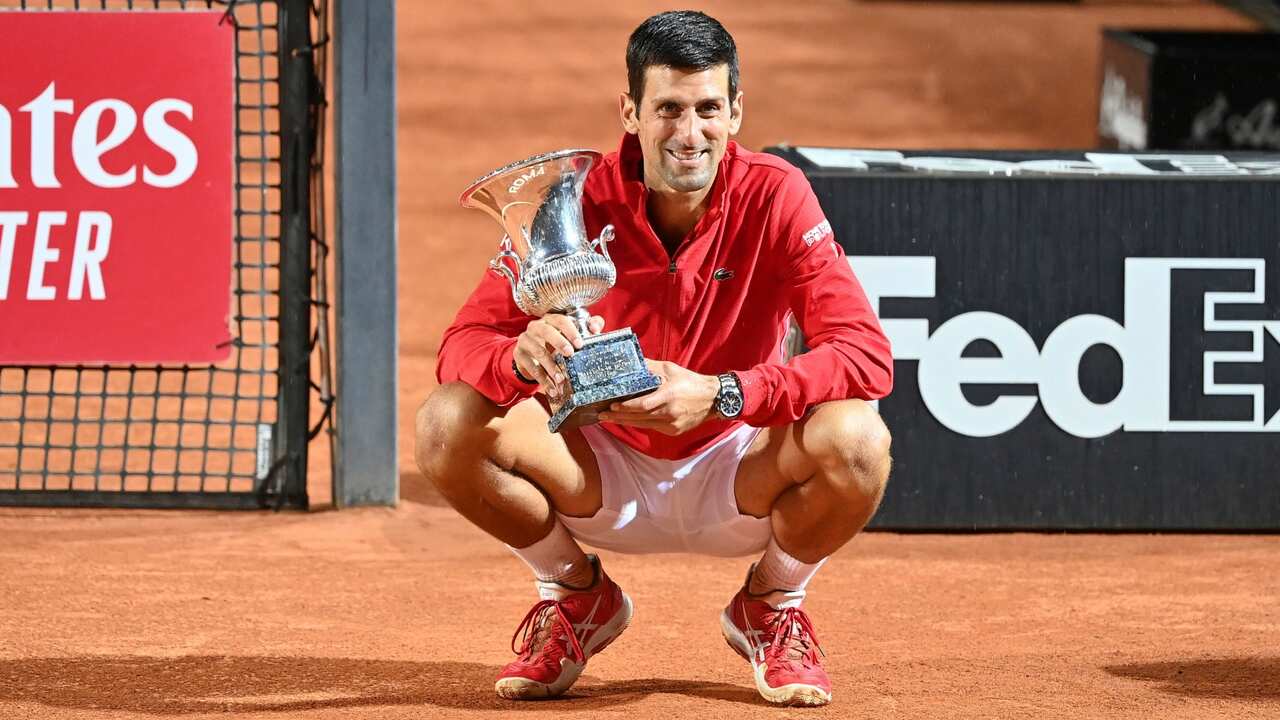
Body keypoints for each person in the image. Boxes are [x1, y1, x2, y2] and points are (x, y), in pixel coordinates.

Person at [417, 10, 893, 707]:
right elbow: (461, 346)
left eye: (707, 109)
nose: (689, 132)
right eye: (668, 108)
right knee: (445, 423)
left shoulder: (777, 194)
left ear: (735, 112)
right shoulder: (573, 201)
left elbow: (864, 356)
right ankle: (576, 594)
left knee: (857, 438)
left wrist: (724, 393)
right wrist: (519, 358)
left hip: (740, 465)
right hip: (598, 468)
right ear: (631, 113)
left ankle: (773, 603)